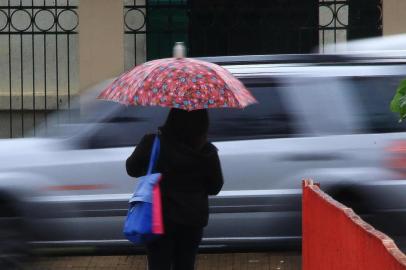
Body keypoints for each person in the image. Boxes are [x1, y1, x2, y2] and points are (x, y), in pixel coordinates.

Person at [126, 108, 224, 270]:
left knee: (158, 264)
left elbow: (131, 169)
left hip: (158, 219)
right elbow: (215, 187)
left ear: (171, 118)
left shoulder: (153, 142)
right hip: (192, 221)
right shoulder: (208, 152)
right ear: (203, 123)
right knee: (186, 264)